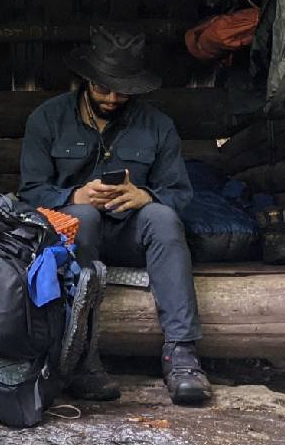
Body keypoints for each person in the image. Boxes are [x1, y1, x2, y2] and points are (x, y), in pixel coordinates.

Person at [18, 26, 211, 406]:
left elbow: (181, 195)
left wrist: (145, 195)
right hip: (72, 241)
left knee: (163, 218)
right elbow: (29, 195)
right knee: (83, 218)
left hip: (132, 237)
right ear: (86, 79)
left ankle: (183, 355)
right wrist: (73, 195)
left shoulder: (157, 125)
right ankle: (82, 359)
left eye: (122, 90)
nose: (111, 97)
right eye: (103, 88)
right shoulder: (47, 118)